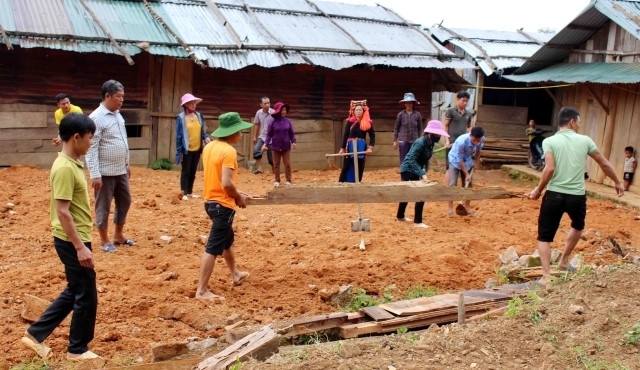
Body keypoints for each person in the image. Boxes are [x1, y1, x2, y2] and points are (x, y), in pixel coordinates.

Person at [21, 113, 101, 361]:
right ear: (76, 137)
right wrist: (80, 247)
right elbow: (63, 211)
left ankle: (34, 335)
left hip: (73, 238)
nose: (91, 143)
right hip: (70, 240)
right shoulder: (65, 168)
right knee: (86, 295)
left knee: (75, 290)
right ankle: (77, 349)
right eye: (89, 138)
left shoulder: (72, 162)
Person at [526, 107, 624, 287]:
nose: (579, 125)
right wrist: (617, 181)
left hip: (554, 194)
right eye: (578, 122)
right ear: (572, 122)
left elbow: (549, 168)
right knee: (578, 226)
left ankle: (546, 277)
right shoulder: (585, 140)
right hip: (576, 196)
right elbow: (603, 162)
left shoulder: (550, 141)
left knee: (544, 237)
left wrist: (538, 190)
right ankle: (563, 261)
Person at [197, 112, 252, 301]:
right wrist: (237, 197)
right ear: (232, 132)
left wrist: (239, 192)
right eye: (240, 131)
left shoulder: (210, 147)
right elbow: (227, 184)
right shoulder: (229, 151)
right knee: (213, 247)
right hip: (223, 205)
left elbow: (218, 179)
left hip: (210, 202)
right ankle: (202, 290)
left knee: (227, 241)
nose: (242, 134)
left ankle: (235, 274)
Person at [86, 80, 135, 252]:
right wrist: (95, 173)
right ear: (107, 96)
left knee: (125, 200)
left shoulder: (118, 115)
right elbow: (91, 148)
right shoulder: (96, 118)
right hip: (104, 172)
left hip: (120, 169)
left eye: (123, 96)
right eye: (118, 96)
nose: (121, 100)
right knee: (103, 206)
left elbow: (122, 141)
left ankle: (118, 235)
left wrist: (126, 163)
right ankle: (104, 240)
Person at [396, 120, 449, 228]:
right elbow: (411, 159)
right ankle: (417, 221)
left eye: (439, 134)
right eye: (437, 134)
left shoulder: (430, 143)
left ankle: (400, 216)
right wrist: (422, 172)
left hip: (416, 169)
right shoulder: (420, 142)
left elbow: (425, 159)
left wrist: (425, 171)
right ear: (430, 133)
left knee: (413, 193)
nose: (438, 136)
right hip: (407, 169)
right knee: (418, 193)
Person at [175, 93, 211, 200]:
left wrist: (206, 137)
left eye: (194, 103)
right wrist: (179, 152)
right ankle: (184, 193)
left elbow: (202, 131)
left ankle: (190, 192)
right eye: (191, 103)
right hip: (186, 149)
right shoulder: (181, 118)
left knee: (193, 171)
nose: (193, 105)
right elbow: (179, 136)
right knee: (185, 171)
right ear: (185, 105)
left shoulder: (199, 116)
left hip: (197, 148)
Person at [447, 126, 485, 216]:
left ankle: (467, 208)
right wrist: (467, 174)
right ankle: (450, 209)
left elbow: (478, 151)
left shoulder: (481, 139)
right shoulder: (461, 142)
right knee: (452, 184)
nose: (476, 142)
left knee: (469, 185)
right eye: (474, 140)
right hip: (455, 160)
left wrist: (476, 162)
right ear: (470, 135)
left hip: (467, 160)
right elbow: (459, 160)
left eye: (478, 140)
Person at [338, 100, 375, 183]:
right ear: (354, 111)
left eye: (360, 110)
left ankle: (357, 182)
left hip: (361, 147)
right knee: (347, 165)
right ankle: (341, 182)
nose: (358, 112)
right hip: (350, 146)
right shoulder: (350, 122)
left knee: (360, 165)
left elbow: (372, 135)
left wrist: (370, 148)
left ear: (363, 111)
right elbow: (346, 135)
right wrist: (342, 148)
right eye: (357, 110)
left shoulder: (367, 123)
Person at [262, 102, 296, 187]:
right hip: (275, 147)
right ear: (278, 111)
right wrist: (266, 143)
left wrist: (294, 142)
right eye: (282, 110)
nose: (284, 112)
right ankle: (277, 180)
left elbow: (291, 133)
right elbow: (269, 134)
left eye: (285, 110)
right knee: (276, 164)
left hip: (286, 147)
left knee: (287, 164)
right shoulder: (272, 122)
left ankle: (288, 180)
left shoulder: (288, 121)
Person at [443, 91, 472, 177]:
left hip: (463, 145)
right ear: (457, 100)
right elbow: (444, 126)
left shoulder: (468, 114)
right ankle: (446, 188)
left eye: (466, 101)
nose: (465, 103)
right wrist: (447, 140)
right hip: (451, 143)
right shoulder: (451, 111)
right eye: (463, 101)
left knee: (464, 165)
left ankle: (463, 187)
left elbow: (469, 127)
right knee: (449, 167)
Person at [393, 92, 423, 166]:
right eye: (407, 103)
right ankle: (404, 176)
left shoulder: (417, 114)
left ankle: (414, 176)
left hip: (414, 141)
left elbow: (420, 129)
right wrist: (395, 141)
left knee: (414, 160)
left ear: (413, 104)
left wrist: (421, 141)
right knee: (404, 160)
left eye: (410, 103)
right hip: (403, 141)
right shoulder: (401, 115)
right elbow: (396, 128)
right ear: (404, 104)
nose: (409, 105)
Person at [252, 96, 274, 174]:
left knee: (271, 158)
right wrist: (255, 136)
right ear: (261, 105)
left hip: (272, 138)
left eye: (268, 103)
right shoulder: (258, 113)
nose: (267, 105)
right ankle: (260, 169)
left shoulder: (274, 113)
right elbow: (257, 124)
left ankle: (275, 172)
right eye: (265, 103)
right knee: (256, 150)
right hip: (262, 136)